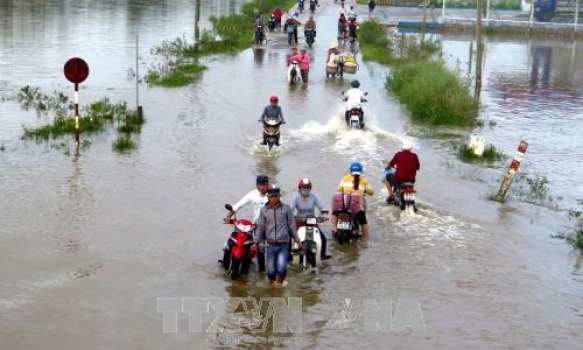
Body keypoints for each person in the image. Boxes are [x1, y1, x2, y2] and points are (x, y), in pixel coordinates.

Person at [252, 184, 302, 288]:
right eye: (272, 196)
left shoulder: (286, 209)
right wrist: (255, 242)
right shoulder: (264, 211)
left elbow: (292, 226)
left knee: (282, 268)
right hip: (270, 245)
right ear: (268, 197)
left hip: (283, 244)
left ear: (279, 196)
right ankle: (272, 284)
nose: (274, 198)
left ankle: (279, 284)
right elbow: (260, 227)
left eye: (276, 196)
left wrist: (298, 241)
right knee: (271, 270)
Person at [223, 175, 270, 271]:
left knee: (262, 248)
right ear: (257, 185)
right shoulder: (252, 194)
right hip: (256, 225)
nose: (262, 187)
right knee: (250, 244)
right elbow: (238, 205)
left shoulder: (272, 195)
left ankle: (261, 271)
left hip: (269, 225)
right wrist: (228, 216)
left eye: (264, 185)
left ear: (267, 185)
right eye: (259, 185)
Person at [291, 178, 332, 260]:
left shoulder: (314, 197)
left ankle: (322, 254)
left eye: (308, 187)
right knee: (291, 237)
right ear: (300, 188)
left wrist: (323, 215)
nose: (306, 189)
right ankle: (290, 255)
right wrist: (292, 218)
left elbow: (321, 207)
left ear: (310, 188)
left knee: (323, 238)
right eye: (304, 187)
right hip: (299, 221)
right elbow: (291, 210)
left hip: (312, 221)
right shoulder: (296, 198)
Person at [332, 162, 374, 239]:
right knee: (363, 222)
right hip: (357, 210)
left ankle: (334, 230)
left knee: (334, 213)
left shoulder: (345, 178)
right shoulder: (364, 181)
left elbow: (338, 189)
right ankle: (366, 240)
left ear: (350, 171)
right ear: (361, 171)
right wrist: (364, 190)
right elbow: (371, 192)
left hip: (343, 207)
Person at [385, 139, 420, 204]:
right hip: (411, 181)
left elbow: (390, 165)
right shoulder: (415, 156)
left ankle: (391, 196)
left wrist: (386, 168)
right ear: (411, 148)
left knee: (387, 177)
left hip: (399, 179)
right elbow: (418, 168)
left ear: (402, 148)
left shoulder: (398, 154)